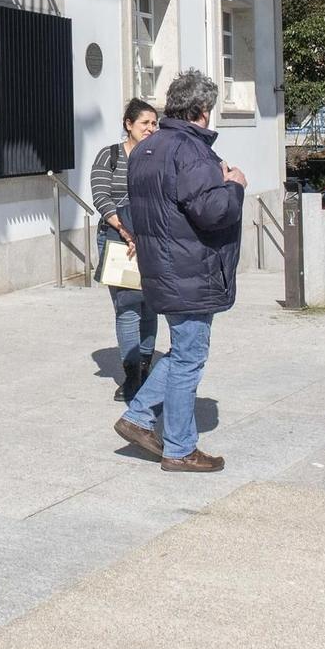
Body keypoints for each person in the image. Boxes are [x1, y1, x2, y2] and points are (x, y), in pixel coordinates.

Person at [111, 70, 244, 472]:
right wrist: (234, 185)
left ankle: (137, 417)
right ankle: (180, 448)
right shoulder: (190, 150)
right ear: (202, 110)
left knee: (183, 349)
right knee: (190, 356)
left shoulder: (148, 149)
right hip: (192, 268)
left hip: (163, 265)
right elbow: (212, 211)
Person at [92, 99, 160, 401]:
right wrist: (125, 229)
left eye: (154, 123)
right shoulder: (110, 156)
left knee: (151, 305)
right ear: (128, 124)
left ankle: (145, 368)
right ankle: (131, 374)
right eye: (145, 122)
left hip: (152, 241)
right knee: (127, 307)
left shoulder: (158, 156)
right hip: (117, 240)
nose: (151, 128)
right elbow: (101, 196)